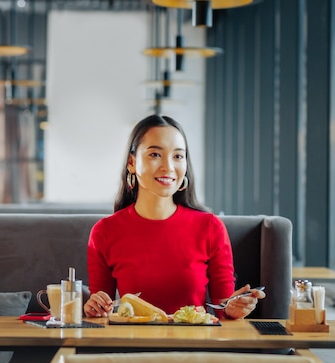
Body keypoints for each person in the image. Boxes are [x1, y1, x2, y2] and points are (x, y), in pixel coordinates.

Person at [83, 114, 265, 320]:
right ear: (131, 163)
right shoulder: (105, 231)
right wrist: (95, 308)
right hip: (132, 346)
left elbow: (223, 309)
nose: (168, 167)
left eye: (178, 156)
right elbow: (102, 312)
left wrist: (233, 309)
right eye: (155, 154)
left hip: (195, 347)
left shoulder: (210, 227)